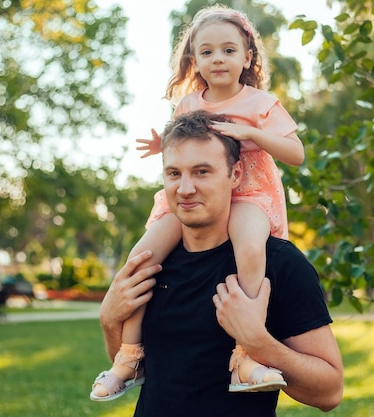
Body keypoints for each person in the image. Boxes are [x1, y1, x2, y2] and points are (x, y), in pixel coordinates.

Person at [91, 5, 305, 400]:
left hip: (249, 193)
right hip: (196, 197)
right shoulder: (189, 105)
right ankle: (129, 356)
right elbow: (182, 144)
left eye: (228, 50)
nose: (217, 59)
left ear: (247, 57)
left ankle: (246, 356)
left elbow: (296, 153)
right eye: (206, 52)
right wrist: (162, 145)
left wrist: (252, 134)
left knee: (250, 249)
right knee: (141, 258)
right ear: (194, 60)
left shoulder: (260, 103)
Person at [94, 110, 343, 416]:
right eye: (174, 173)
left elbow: (330, 392)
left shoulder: (278, 262)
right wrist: (108, 319)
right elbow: (139, 367)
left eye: (202, 172)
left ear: (235, 175)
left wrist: (258, 342)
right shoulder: (152, 263)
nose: (185, 188)